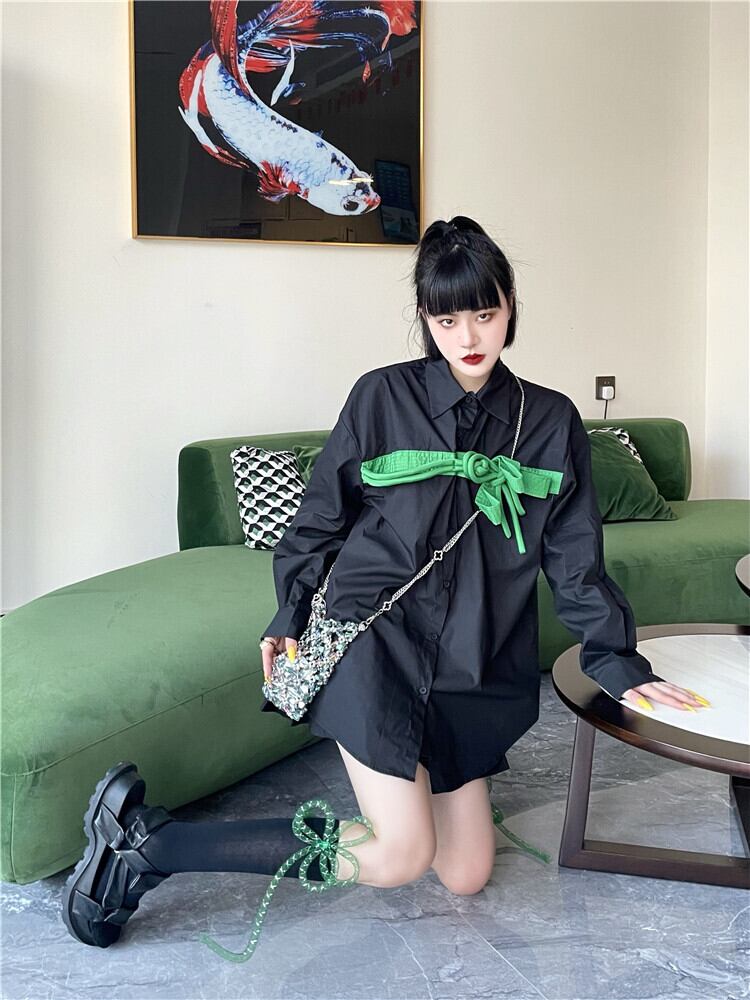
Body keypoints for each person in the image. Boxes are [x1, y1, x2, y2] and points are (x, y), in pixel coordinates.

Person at [62, 216, 710, 963]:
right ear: (425, 318)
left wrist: (618, 662)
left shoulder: (551, 420)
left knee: (465, 874)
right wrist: (289, 613)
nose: (468, 336)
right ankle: (152, 844)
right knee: (401, 856)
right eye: (447, 319)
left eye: (485, 313)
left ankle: (407, 797)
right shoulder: (381, 398)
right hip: (374, 638)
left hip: (474, 659)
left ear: (511, 308)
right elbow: (320, 519)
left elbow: (575, 560)